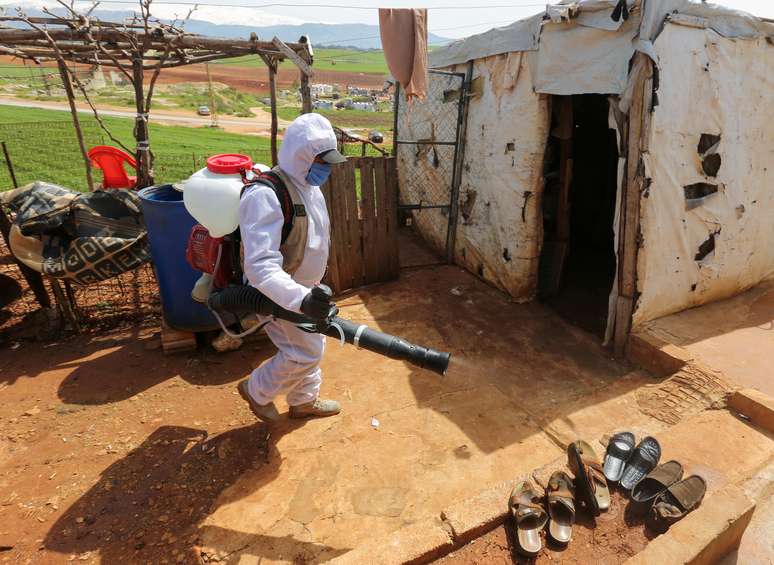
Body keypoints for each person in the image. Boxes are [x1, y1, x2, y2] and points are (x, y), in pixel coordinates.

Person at [237, 113, 346, 422]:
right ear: (300, 156)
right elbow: (259, 266)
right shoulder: (265, 195)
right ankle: (256, 390)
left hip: (304, 290)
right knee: (305, 352)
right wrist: (301, 299)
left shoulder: (308, 187)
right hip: (277, 294)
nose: (325, 170)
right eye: (321, 162)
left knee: (315, 341)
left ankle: (303, 401)